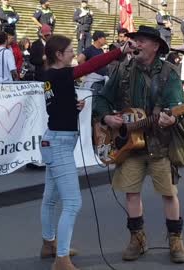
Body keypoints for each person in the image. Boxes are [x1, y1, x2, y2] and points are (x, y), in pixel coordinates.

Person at [94, 25, 184, 264]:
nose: (136, 44)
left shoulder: (169, 72)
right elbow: (102, 98)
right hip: (128, 145)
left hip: (159, 142)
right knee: (131, 193)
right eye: (134, 40)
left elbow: (177, 106)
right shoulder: (122, 69)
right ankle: (137, 238)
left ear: (155, 46)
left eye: (142, 41)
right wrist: (107, 118)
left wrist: (172, 117)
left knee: (168, 193)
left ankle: (175, 239)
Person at [39, 33, 133, 270]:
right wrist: (118, 51)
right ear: (59, 55)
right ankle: (61, 260)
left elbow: (56, 105)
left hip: (55, 141)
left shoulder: (50, 76)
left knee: (50, 200)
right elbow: (90, 65)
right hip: (59, 143)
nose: (74, 54)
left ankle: (49, 244)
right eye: (70, 50)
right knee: (72, 203)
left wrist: (74, 106)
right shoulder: (60, 74)